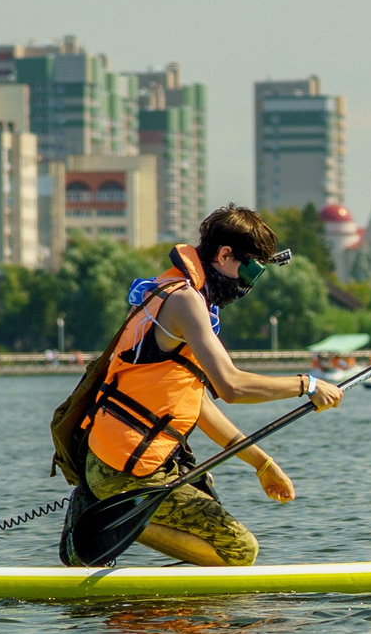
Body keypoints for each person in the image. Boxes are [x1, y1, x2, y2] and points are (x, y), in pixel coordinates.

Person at [51, 205, 342, 567]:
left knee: (214, 527)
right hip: (127, 472)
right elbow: (232, 386)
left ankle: (158, 577)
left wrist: (262, 464)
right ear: (224, 255)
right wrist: (307, 384)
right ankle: (103, 521)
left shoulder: (165, 291)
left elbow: (198, 406)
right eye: (250, 270)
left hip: (120, 460)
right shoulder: (185, 301)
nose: (248, 285)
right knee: (240, 551)